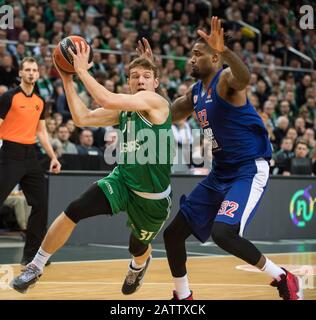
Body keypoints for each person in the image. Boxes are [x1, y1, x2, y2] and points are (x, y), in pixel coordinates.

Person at [138, 17, 303, 300]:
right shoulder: (196, 93)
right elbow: (167, 114)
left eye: (198, 54)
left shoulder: (226, 79)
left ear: (214, 57)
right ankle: (183, 295)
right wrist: (151, 78)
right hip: (220, 173)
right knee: (173, 235)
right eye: (190, 54)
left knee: (224, 233)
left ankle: (284, 278)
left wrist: (226, 51)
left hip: (248, 170)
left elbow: (245, 78)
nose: (191, 59)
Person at [11, 43, 173, 295]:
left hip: (151, 199)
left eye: (146, 76)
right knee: (75, 209)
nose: (140, 80)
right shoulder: (124, 111)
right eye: (134, 76)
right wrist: (67, 79)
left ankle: (138, 265)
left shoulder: (156, 102)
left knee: (137, 247)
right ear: (128, 82)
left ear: (156, 83)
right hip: (122, 181)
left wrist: (81, 70)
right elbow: (82, 118)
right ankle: (35, 266)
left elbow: (104, 98)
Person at [0, 57, 61, 266]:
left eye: (35, 70)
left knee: (41, 205)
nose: (31, 73)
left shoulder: (39, 101)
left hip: (30, 156)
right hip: (9, 154)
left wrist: (53, 157)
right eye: (27, 69)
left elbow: (42, 132)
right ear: (20, 73)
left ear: (38, 74)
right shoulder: (8, 97)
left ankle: (32, 255)